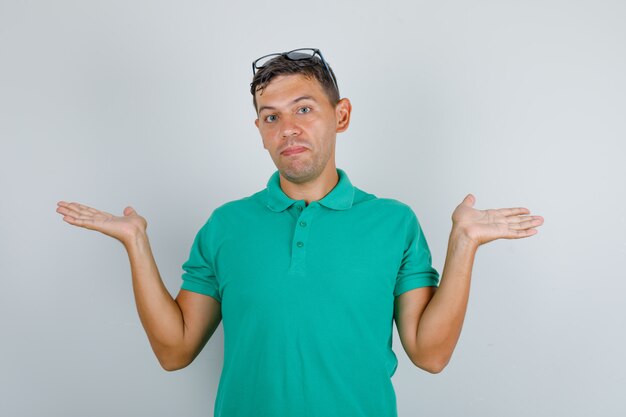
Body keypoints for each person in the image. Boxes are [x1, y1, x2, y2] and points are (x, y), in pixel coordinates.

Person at [56, 48, 544, 417]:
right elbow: (174, 350)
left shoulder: (395, 223)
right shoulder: (226, 225)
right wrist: (135, 242)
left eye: (304, 109)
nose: (288, 127)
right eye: (272, 117)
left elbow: (430, 355)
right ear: (261, 130)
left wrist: (463, 245)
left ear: (341, 115)